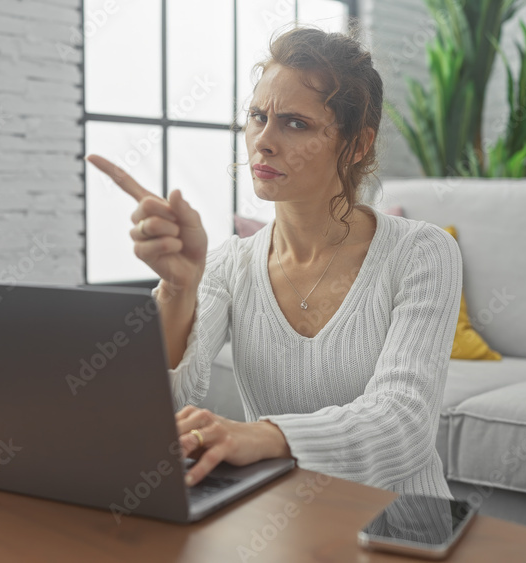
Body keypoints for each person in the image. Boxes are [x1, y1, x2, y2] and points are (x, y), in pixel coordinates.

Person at [85, 26, 462, 499]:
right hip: (278, 522)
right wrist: (178, 288)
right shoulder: (231, 263)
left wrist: (260, 435)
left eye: (295, 123)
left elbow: (403, 426)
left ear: (358, 145)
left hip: (402, 525)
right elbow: (159, 406)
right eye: (257, 116)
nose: (263, 140)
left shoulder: (422, 253)